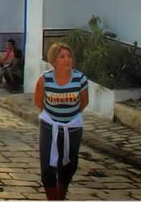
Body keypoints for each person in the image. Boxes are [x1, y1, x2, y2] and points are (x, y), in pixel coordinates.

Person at [34, 42, 89, 201]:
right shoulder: (45, 79)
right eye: (62, 56)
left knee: (68, 166)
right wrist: (54, 117)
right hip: (50, 127)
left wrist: (69, 117)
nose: (67, 60)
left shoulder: (80, 78)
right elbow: (39, 102)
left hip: (72, 128)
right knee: (48, 168)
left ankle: (61, 197)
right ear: (54, 60)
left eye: (69, 56)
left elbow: (84, 102)